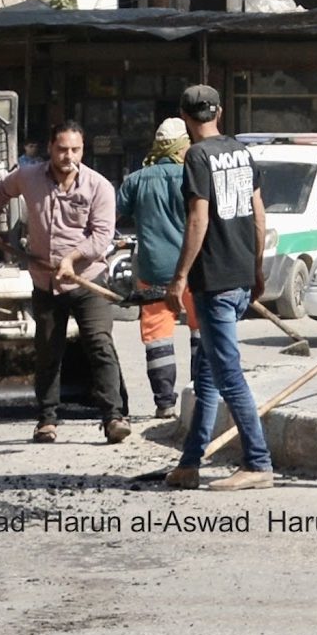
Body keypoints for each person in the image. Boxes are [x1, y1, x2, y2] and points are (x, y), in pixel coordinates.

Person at [0, 120, 128, 444]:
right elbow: (1, 191)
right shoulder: (28, 177)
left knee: (99, 345)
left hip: (87, 281)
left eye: (75, 150)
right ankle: (46, 420)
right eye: (62, 149)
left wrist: (72, 259)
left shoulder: (99, 186)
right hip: (45, 282)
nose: (68, 156)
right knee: (47, 351)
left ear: (82, 150)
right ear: (50, 148)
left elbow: (101, 236)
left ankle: (113, 417)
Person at [164, 84, 274, 490]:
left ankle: (258, 463)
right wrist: (257, 268)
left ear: (184, 117)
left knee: (227, 375)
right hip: (241, 275)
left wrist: (179, 277)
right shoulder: (241, 152)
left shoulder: (196, 156)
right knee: (209, 374)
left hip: (214, 280)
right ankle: (190, 463)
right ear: (219, 112)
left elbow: (198, 219)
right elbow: (259, 215)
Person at [115, 117, 194, 422]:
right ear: (181, 147)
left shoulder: (137, 180)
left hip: (154, 271)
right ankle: (200, 395)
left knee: (158, 337)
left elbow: (117, 214)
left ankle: (165, 403)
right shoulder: (194, 176)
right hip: (193, 270)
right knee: (201, 330)